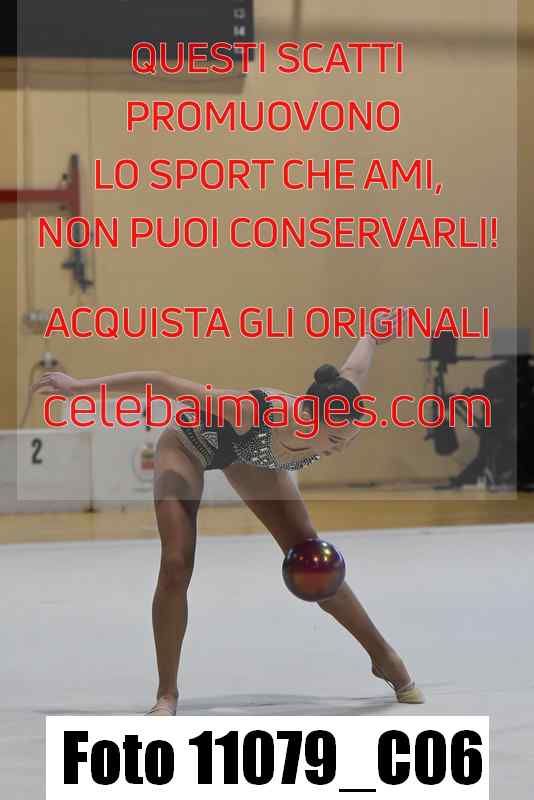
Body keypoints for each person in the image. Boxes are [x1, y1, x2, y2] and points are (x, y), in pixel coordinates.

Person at [32, 307, 424, 715]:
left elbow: (354, 367)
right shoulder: (253, 410)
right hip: (189, 445)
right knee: (176, 563)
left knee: (314, 561)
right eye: (336, 439)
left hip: (249, 456)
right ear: (309, 417)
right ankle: (167, 693)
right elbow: (160, 382)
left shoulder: (339, 398)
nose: (341, 447)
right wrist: (79, 388)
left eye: (349, 437)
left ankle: (385, 658)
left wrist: (372, 335)